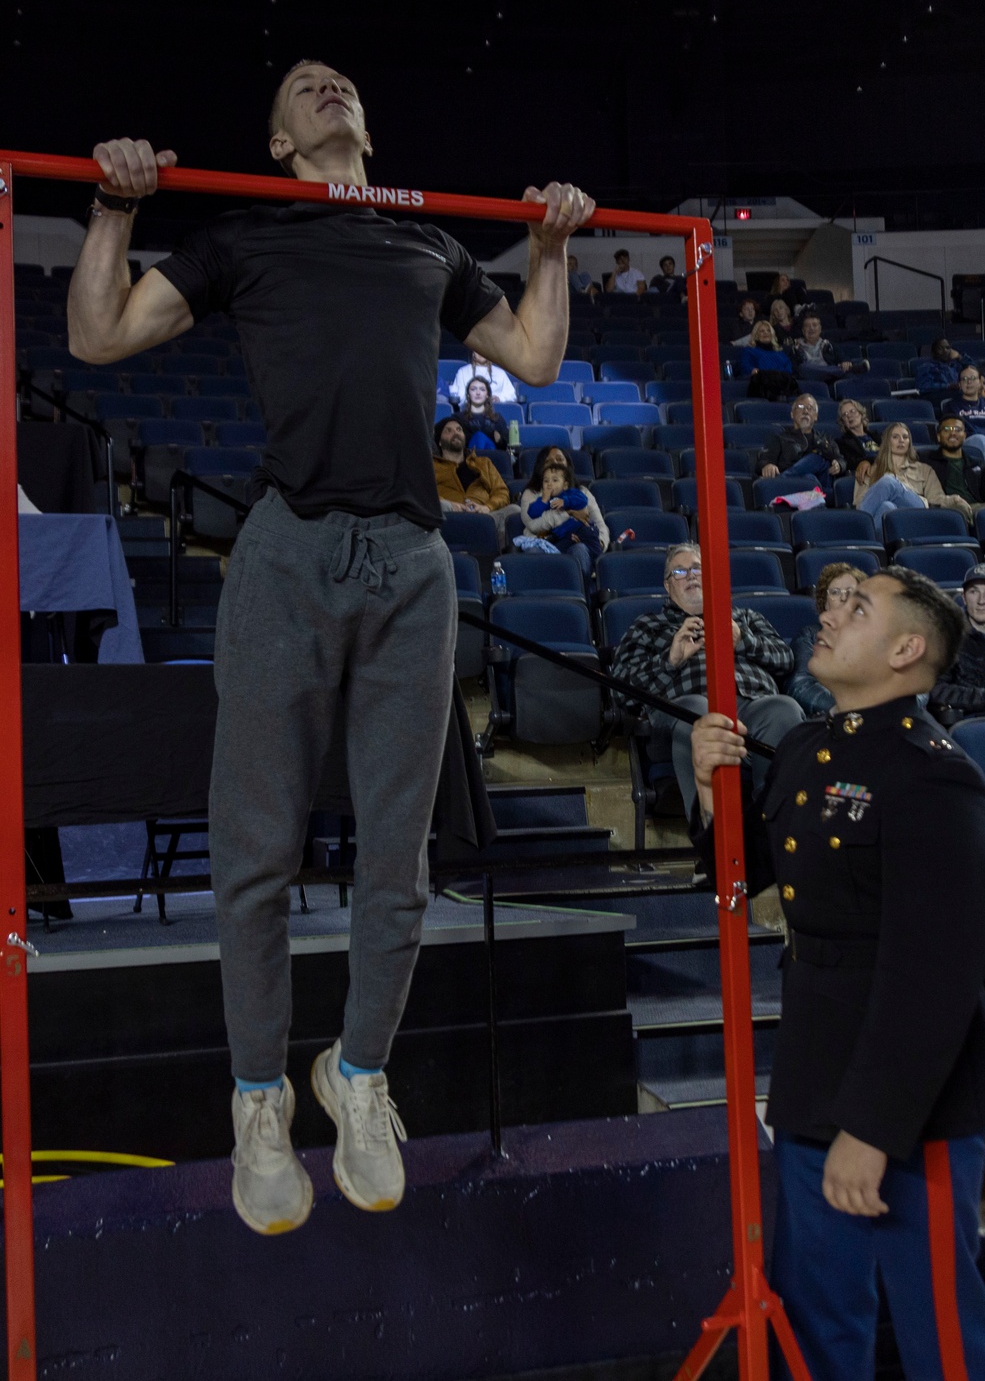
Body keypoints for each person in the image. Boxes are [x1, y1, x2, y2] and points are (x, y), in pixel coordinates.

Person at [67, 65, 594, 1236]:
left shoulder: (428, 245)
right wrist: (114, 208)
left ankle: (358, 1077)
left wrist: (548, 243)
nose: (326, 84)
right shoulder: (246, 232)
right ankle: (258, 1099)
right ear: (276, 139)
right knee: (257, 850)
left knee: (398, 863)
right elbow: (97, 335)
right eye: (303, 85)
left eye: (340, 79)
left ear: (363, 124)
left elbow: (538, 360)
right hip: (288, 550)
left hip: (412, 561)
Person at [690, 567, 985, 1380]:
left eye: (856, 607)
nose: (830, 614)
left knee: (943, 1336)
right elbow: (743, 877)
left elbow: (937, 976)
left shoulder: (936, 774)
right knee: (817, 1323)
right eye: (834, 601)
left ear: (907, 650)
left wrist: (870, 1130)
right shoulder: (805, 747)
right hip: (814, 1073)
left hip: (912, 1099)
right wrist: (707, 789)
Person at [610, 542, 802, 819]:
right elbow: (621, 691)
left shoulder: (744, 618)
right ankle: (712, 841)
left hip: (750, 708)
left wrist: (743, 641)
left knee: (784, 709)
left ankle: (775, 832)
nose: (690, 575)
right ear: (667, 586)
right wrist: (670, 660)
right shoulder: (647, 625)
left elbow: (786, 659)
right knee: (698, 713)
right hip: (682, 712)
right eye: (679, 571)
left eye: (697, 568)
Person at [787, 562, 868, 717]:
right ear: (825, 603)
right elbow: (800, 686)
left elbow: (913, 679)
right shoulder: (810, 636)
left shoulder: (879, 633)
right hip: (832, 718)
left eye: (850, 592)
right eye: (835, 592)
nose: (844, 597)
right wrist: (850, 708)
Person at [854, 422, 971, 527]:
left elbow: (936, 499)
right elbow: (860, 502)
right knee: (887, 507)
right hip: (891, 520)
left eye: (905, 437)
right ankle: (882, 547)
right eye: (895, 437)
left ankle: (857, 527)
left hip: (917, 511)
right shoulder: (869, 470)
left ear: (909, 442)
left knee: (888, 481)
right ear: (887, 442)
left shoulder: (924, 469)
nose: (901, 440)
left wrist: (955, 499)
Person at [931, 562, 985, 721]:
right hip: (971, 722)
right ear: (964, 597)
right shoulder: (947, 635)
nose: (982, 601)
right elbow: (937, 690)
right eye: (974, 592)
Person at [519, 449, 608, 556]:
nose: (555, 463)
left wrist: (596, 544)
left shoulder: (581, 492)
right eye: (548, 461)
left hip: (579, 542)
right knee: (534, 552)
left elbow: (600, 525)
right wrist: (568, 513)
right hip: (545, 543)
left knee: (579, 549)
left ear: (568, 466)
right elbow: (533, 525)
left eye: (560, 459)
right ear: (541, 468)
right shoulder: (531, 493)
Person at [524, 461, 604, 575]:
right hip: (566, 536)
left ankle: (599, 568)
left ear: (565, 485)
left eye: (555, 480)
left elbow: (582, 500)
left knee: (591, 543)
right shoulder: (547, 501)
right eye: (546, 481)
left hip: (583, 529)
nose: (549, 484)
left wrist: (565, 502)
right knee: (556, 547)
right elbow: (532, 513)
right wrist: (544, 500)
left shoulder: (571, 493)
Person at [757, 394, 846, 493]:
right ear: (792, 414)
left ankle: (781, 479)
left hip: (822, 481)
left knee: (817, 459)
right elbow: (764, 459)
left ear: (816, 417)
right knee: (810, 476)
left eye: (810, 408)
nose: (805, 411)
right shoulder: (780, 437)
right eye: (800, 407)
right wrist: (768, 465)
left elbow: (840, 458)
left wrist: (839, 465)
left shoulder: (825, 438)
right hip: (793, 486)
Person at [434, 416, 511, 520]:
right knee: (440, 505)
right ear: (440, 441)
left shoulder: (484, 463)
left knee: (514, 510)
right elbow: (424, 495)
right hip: (450, 516)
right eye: (449, 431)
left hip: (485, 516)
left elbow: (502, 492)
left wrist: (487, 507)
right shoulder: (432, 466)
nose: (455, 433)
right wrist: (451, 505)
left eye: (459, 430)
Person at [925, 415, 985, 515]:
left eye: (957, 429)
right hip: (948, 509)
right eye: (947, 429)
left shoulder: (978, 464)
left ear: (964, 436)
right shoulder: (926, 460)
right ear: (938, 436)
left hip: (978, 508)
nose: (953, 433)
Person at [786, 314, 869, 386]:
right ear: (803, 331)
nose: (811, 328)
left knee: (852, 378)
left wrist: (845, 362)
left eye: (814, 325)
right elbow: (796, 370)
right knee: (803, 367)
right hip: (809, 378)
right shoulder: (795, 349)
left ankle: (839, 371)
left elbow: (843, 357)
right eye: (807, 326)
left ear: (820, 329)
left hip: (829, 381)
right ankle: (840, 371)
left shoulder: (829, 345)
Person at [941, 365, 985, 463]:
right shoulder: (951, 406)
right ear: (960, 384)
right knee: (981, 440)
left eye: (973, 378)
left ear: (980, 383)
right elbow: (953, 429)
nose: (969, 382)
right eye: (964, 379)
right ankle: (984, 475)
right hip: (971, 440)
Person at [735, 320, 799, 400]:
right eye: (762, 331)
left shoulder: (780, 352)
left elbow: (788, 368)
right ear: (756, 335)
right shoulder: (749, 351)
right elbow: (745, 366)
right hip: (762, 384)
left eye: (768, 330)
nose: (766, 333)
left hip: (782, 383)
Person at [835, 397, 880, 480]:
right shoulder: (842, 443)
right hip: (868, 474)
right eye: (844, 415)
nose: (849, 416)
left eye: (852, 411)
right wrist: (872, 460)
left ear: (860, 413)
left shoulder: (877, 436)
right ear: (843, 422)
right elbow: (851, 462)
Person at [449, 351, 518, 404]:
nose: (481, 352)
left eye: (484, 349)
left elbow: (512, 395)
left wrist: (499, 398)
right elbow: (458, 396)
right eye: (478, 349)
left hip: (495, 411)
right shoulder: (463, 372)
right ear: (473, 352)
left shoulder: (500, 373)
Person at [458, 376, 508, 450]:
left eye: (482, 389)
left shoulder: (497, 418)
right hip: (468, 456)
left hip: (492, 457)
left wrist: (499, 440)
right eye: (473, 389)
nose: (478, 393)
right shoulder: (459, 418)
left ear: (487, 395)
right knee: (479, 436)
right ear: (468, 394)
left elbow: (506, 444)